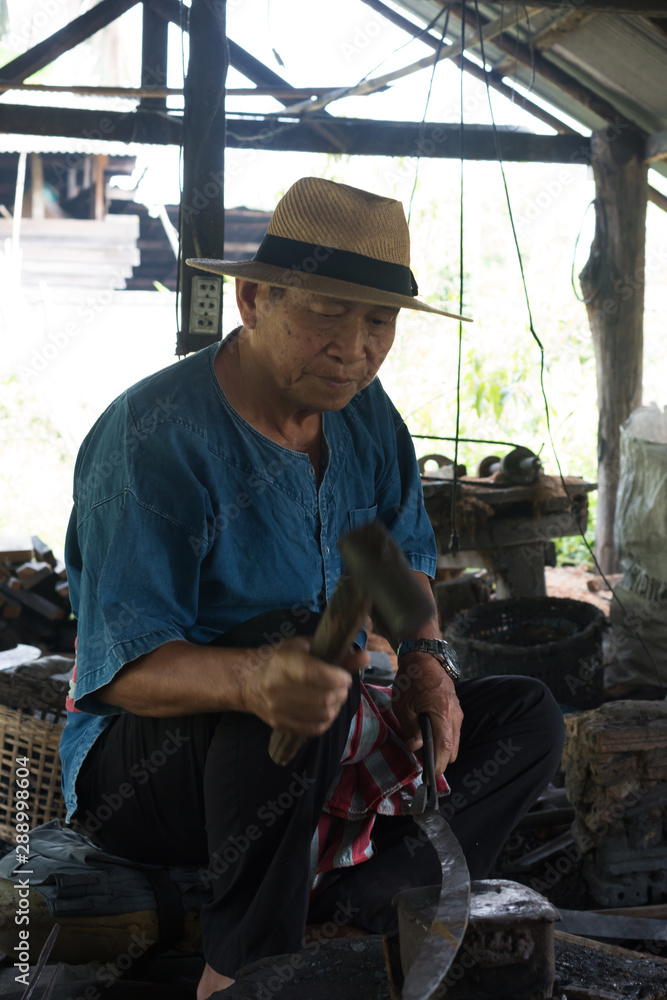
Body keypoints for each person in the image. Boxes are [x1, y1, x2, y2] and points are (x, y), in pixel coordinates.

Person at [60, 177, 564, 999]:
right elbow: (121, 671)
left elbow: (392, 567)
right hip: (149, 781)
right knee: (299, 670)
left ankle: (359, 903)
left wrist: (425, 661)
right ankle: (241, 973)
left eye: (379, 320)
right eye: (328, 310)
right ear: (254, 298)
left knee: (526, 717)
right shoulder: (154, 441)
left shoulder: (366, 418)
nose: (354, 347)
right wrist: (259, 680)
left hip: (316, 740)